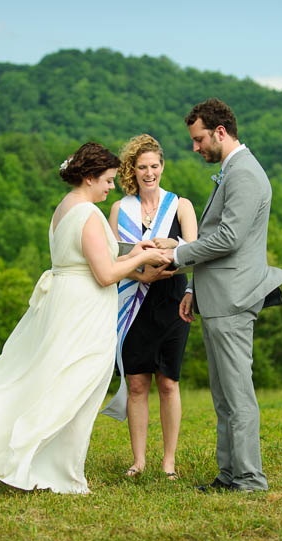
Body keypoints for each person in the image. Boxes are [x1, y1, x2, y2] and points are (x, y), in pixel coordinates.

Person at [0, 143, 169, 494]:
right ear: (89, 177)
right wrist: (139, 262)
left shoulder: (64, 209)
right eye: (106, 180)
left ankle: (52, 465)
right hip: (83, 311)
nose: (111, 187)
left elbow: (87, 262)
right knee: (73, 386)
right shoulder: (88, 214)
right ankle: (54, 470)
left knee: (52, 380)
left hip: (66, 302)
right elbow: (105, 274)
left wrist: (134, 252)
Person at [163, 99, 282, 493]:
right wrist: (191, 287)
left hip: (235, 298)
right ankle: (229, 474)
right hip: (217, 296)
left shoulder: (245, 173)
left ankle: (250, 478)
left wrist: (176, 254)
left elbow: (228, 237)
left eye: (199, 139)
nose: (195, 147)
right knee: (224, 395)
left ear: (220, 132)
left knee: (237, 394)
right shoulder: (231, 171)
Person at [103, 134, 197, 479]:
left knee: (168, 382)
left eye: (154, 166)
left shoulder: (181, 206)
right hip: (132, 300)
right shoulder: (119, 208)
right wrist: (138, 264)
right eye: (142, 167)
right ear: (133, 169)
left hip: (172, 300)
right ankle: (139, 461)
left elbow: (195, 251)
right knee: (138, 383)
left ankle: (168, 462)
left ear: (162, 166)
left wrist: (173, 243)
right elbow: (112, 256)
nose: (149, 172)